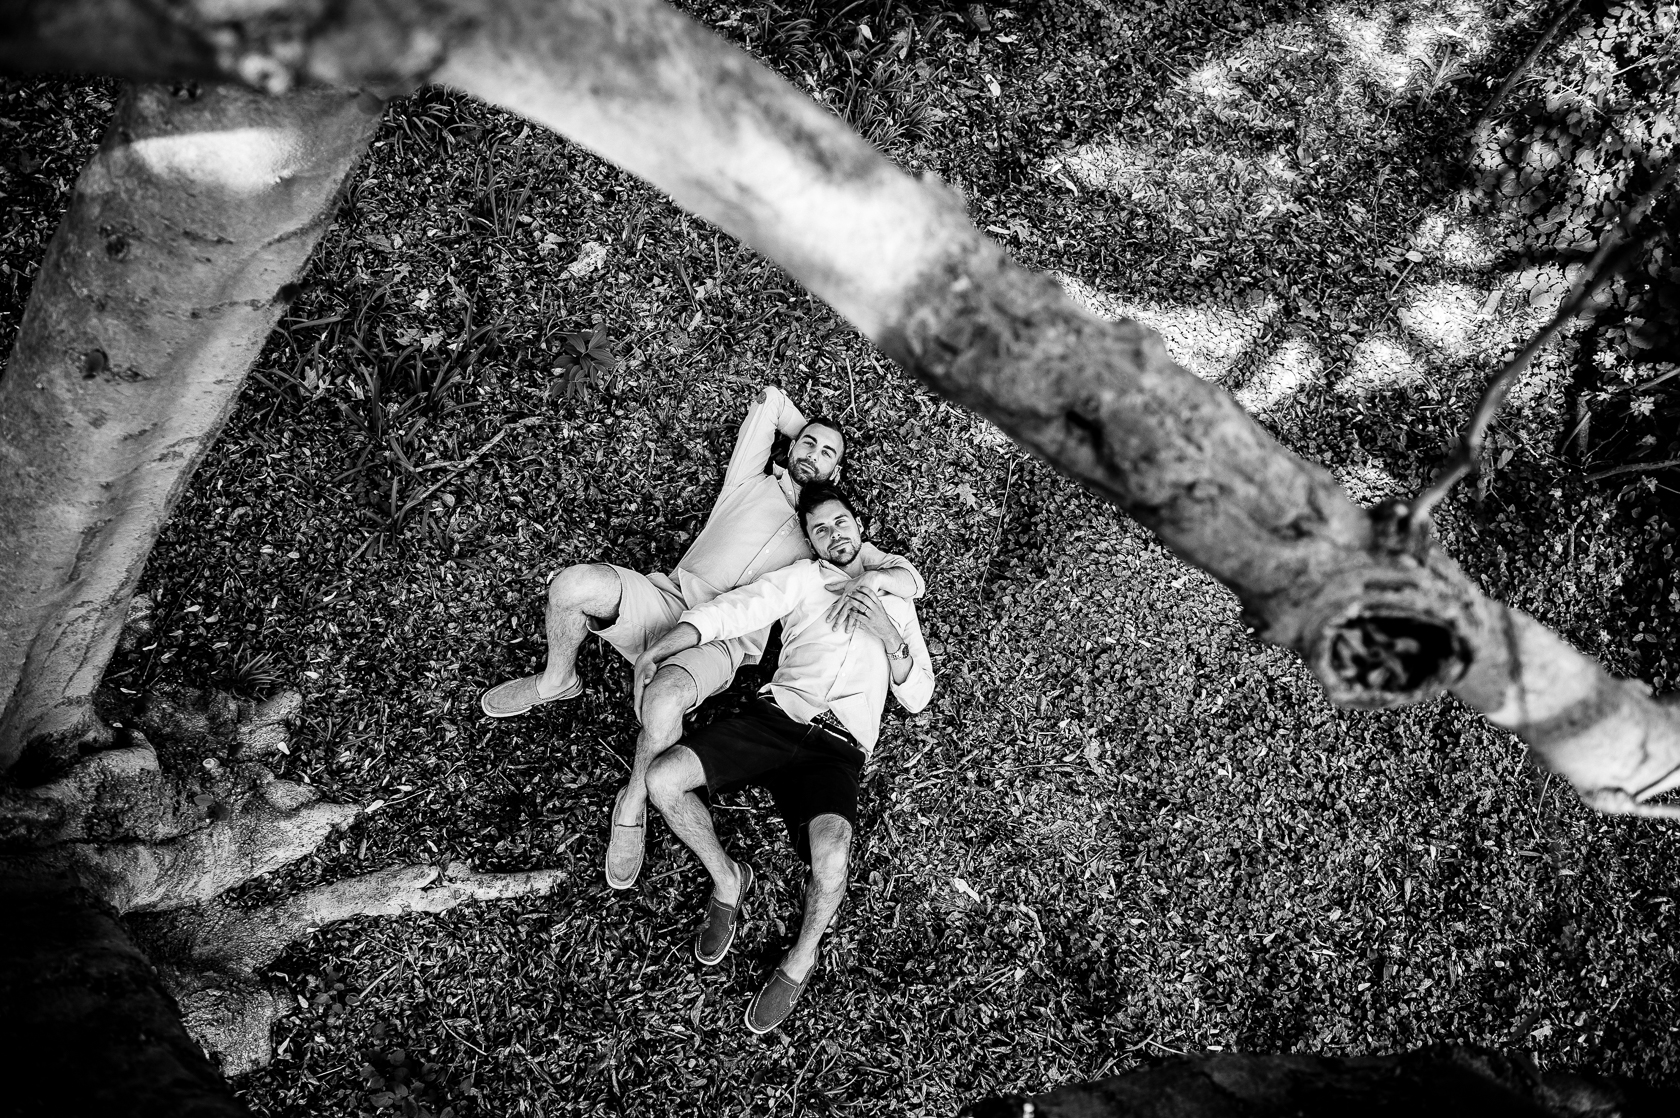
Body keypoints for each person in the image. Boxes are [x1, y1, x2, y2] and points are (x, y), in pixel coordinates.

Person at [478, 387, 925, 889]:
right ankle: (556, 678)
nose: (812, 455)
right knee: (571, 585)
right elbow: (772, 401)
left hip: (723, 644)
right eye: (808, 444)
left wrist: (876, 592)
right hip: (668, 598)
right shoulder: (750, 483)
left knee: (664, 700)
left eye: (827, 454)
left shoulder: (825, 546)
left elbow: (905, 577)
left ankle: (632, 803)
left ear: (837, 475)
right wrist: (804, 434)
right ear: (791, 445)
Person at [637, 482, 934, 1034]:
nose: (832, 534)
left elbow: (917, 696)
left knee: (832, 858)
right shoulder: (802, 579)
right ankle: (728, 880)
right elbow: (733, 610)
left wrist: (888, 634)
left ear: (860, 525)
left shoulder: (897, 598)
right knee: (662, 779)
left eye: (840, 522)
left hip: (837, 748)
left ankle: (802, 956)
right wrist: (662, 647)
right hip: (776, 720)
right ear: (811, 540)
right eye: (819, 529)